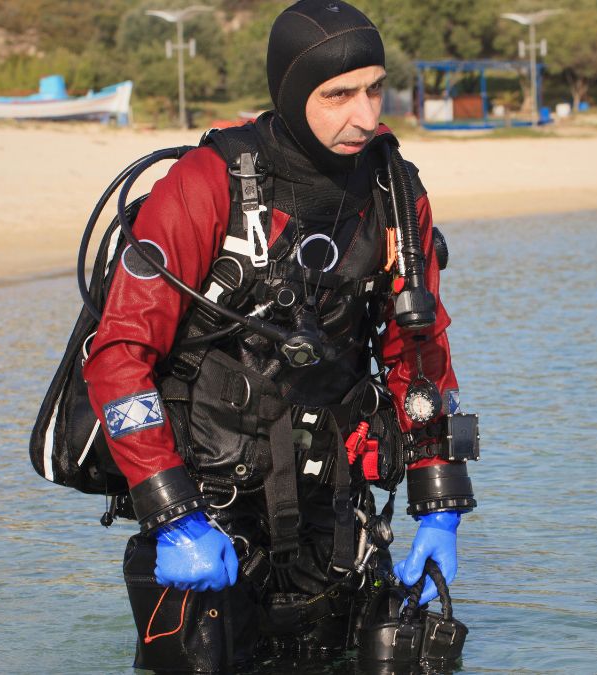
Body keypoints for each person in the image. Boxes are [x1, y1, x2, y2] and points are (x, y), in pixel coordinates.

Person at [82, 1, 478, 670]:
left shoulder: (395, 192)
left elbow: (420, 353)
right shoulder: (204, 185)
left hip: (335, 505)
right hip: (209, 506)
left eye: (376, 88)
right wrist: (172, 515)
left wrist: (439, 501)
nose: (365, 114)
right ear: (293, 93)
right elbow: (119, 359)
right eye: (338, 94)